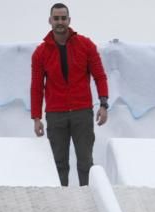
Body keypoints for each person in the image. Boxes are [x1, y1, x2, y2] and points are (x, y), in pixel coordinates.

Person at [30, 3, 109, 186]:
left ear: (69, 20)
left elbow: (100, 76)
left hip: (82, 112)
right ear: (50, 21)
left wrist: (103, 104)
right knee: (59, 163)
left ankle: (89, 198)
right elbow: (36, 87)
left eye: (63, 18)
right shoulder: (40, 53)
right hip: (56, 114)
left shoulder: (86, 45)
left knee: (85, 162)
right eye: (56, 18)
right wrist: (36, 117)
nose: (60, 22)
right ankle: (63, 205)